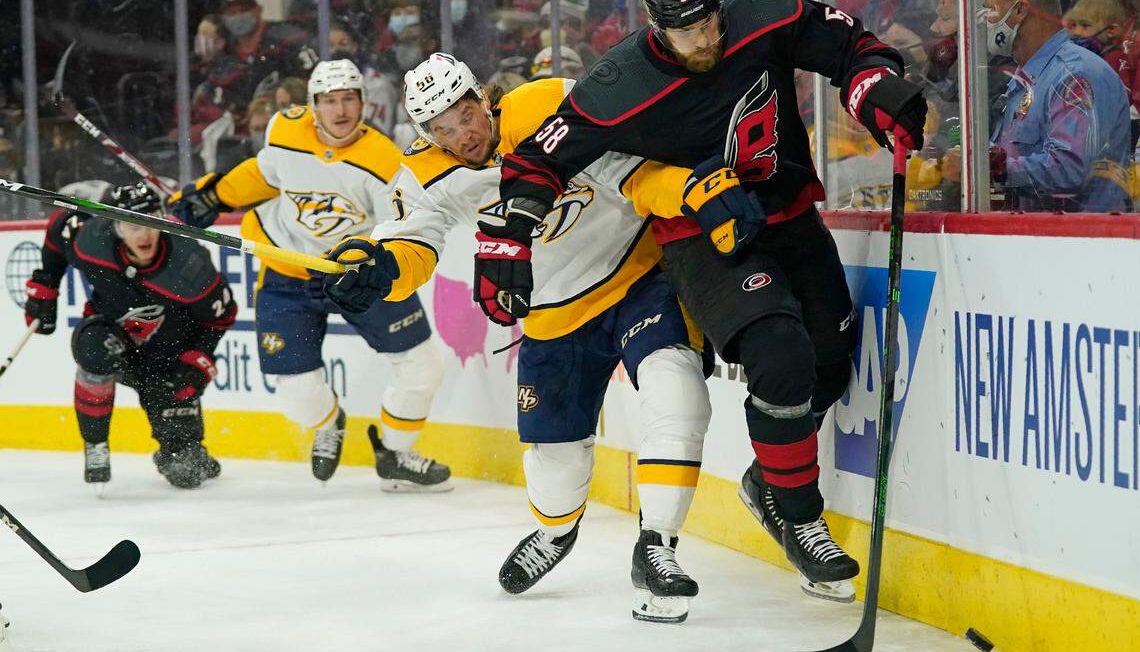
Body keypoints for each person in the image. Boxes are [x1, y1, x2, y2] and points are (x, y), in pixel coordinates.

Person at [475, 0, 928, 602]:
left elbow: (846, 41)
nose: (705, 38)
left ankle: (767, 484)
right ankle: (801, 518)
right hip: (703, 239)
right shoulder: (620, 81)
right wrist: (509, 238)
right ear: (658, 26)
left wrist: (871, 85)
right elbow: (539, 161)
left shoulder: (760, 13)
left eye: (710, 21)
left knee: (829, 363)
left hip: (791, 214)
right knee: (779, 352)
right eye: (687, 30)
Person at [320, 53, 713, 622]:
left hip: (638, 276)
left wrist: (692, 190)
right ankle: (556, 533)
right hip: (552, 314)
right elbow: (413, 245)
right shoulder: (426, 174)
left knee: (675, 390)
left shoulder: (545, 105)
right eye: (443, 129)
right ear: (425, 134)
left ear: (484, 96)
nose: (463, 135)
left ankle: (658, 547)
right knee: (553, 468)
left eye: (466, 114)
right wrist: (379, 269)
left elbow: (635, 168)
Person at [168, 60, 450, 490]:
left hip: (355, 277)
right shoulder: (284, 130)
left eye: (349, 100)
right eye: (330, 101)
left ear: (363, 103)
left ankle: (395, 454)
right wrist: (215, 194)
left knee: (422, 365)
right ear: (313, 106)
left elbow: (398, 230)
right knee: (296, 395)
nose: (340, 111)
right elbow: (265, 175)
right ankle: (328, 420)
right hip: (287, 270)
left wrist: (377, 267)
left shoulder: (386, 162)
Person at [23, 184, 236, 489]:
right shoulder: (92, 240)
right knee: (94, 349)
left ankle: (186, 450)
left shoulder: (190, 263)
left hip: (168, 360)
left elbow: (222, 316)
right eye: (133, 225)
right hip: (113, 340)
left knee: (187, 474)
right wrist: (46, 282)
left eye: (151, 222)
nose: (144, 234)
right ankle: (95, 445)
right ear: (117, 228)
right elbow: (59, 229)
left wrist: (197, 360)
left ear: (162, 220)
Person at [981, 0, 1132, 211]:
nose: (985, 21)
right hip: (1036, 238)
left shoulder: (1073, 75)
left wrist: (990, 167)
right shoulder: (1028, 77)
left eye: (991, 11)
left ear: (1019, 10)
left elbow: (1068, 170)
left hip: (1081, 241)